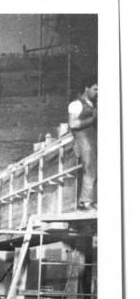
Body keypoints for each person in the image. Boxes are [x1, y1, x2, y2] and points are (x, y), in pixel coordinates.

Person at [68, 78, 97, 209]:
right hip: (83, 140)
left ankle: (94, 200)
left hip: (94, 139)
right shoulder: (76, 104)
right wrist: (93, 119)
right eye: (95, 89)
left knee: (97, 168)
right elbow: (73, 124)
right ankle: (85, 202)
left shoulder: (95, 104)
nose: (98, 93)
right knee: (89, 168)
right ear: (86, 88)